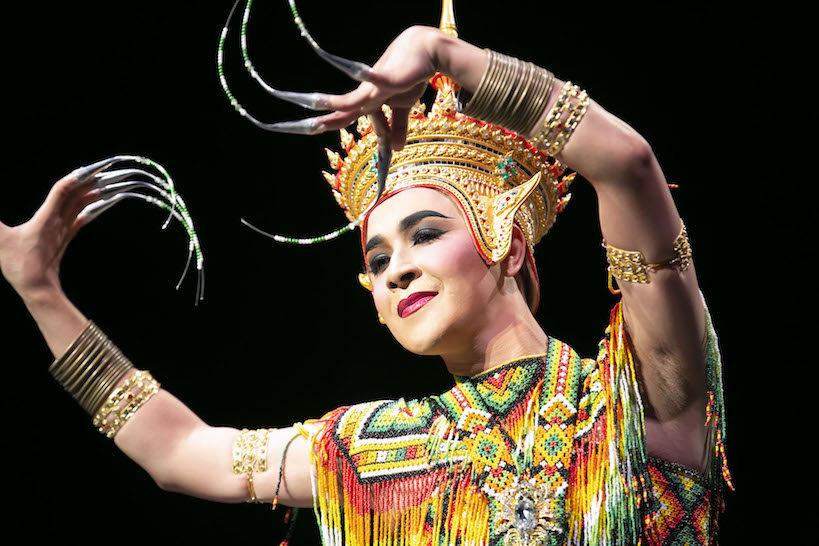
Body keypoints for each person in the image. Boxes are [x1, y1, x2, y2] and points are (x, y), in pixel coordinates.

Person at [0, 1, 730, 544]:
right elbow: (181, 453)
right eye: (377, 261)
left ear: (507, 245)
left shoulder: (637, 399)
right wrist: (39, 292)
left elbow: (627, 167)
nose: (397, 271)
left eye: (426, 234)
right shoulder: (379, 449)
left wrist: (447, 56)